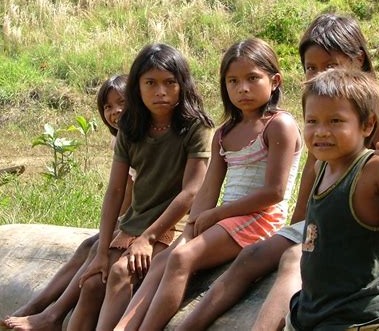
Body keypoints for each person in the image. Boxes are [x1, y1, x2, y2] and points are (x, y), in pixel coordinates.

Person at [177, 13, 379, 331]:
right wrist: (297, 225)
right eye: (310, 68)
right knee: (252, 257)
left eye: (329, 66)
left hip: (354, 229)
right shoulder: (321, 114)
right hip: (319, 224)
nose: (317, 76)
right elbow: (312, 174)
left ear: (357, 59)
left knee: (292, 260)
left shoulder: (374, 116)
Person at [4, 43, 214, 331]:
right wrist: (102, 250)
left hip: (171, 226)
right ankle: (52, 318)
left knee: (119, 273)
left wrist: (148, 238)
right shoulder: (131, 127)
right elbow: (115, 191)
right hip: (132, 225)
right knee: (91, 283)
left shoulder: (194, 127)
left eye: (169, 83)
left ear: (183, 85)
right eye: (150, 83)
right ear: (137, 88)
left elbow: (191, 192)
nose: (160, 91)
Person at [113, 38, 302, 331]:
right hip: (227, 218)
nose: (243, 88)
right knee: (163, 259)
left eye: (253, 78)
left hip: (262, 220)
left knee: (181, 258)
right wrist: (192, 224)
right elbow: (209, 189)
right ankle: (123, 327)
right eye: (233, 81)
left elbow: (274, 193)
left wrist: (215, 216)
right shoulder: (225, 133)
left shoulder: (279, 124)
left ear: (275, 81)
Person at [0, 74, 134, 329]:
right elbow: (124, 191)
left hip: (149, 221)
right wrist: (114, 227)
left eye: (122, 102)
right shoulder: (120, 140)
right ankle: (35, 307)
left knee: (95, 254)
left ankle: (52, 315)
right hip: (134, 218)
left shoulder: (145, 140)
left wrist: (120, 231)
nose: (116, 111)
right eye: (108, 107)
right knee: (87, 246)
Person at [286, 68, 379, 330]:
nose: (321, 131)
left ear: (368, 124)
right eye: (312, 121)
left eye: (335, 121)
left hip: (353, 313)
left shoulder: (374, 169)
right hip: (313, 307)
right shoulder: (321, 167)